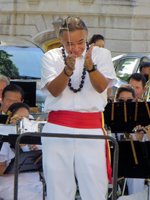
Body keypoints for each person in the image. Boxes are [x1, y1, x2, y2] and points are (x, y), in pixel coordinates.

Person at [41, 16, 116, 200]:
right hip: (57, 128)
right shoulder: (50, 56)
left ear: (87, 36)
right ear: (61, 41)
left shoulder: (101, 54)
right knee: (58, 188)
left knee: (95, 188)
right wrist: (66, 71)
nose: (75, 48)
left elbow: (101, 87)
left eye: (80, 42)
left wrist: (90, 68)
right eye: (69, 44)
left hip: (91, 129)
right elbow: (54, 90)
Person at [0, 102, 43, 200]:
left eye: (27, 118)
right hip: (12, 185)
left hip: (34, 183)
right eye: (19, 119)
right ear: (10, 119)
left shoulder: (35, 139)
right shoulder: (5, 139)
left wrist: (35, 155)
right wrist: (16, 164)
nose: (24, 122)